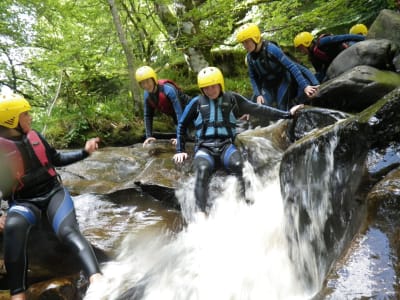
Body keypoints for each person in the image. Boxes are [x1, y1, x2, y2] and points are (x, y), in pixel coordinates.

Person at [0, 93, 102, 300]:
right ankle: (18, 293)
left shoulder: (35, 136)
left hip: (53, 193)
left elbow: (56, 158)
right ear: (11, 120)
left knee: (67, 231)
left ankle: (96, 276)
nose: (30, 117)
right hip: (24, 202)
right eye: (25, 114)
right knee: (13, 227)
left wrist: (84, 152)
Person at [172, 67, 303, 214]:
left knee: (240, 166)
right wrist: (180, 150)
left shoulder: (233, 99)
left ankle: (247, 208)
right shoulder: (197, 102)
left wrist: (287, 114)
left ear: (220, 84)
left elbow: (259, 109)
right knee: (202, 171)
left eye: (213, 86)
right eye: (206, 88)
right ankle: (200, 217)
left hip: (226, 146)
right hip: (204, 149)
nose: (210, 90)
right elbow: (182, 124)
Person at [236, 23, 319, 110]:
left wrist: (305, 86)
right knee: (262, 108)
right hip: (267, 85)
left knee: (282, 107)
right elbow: (253, 78)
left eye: (246, 41)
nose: (244, 46)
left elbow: (292, 67)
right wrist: (258, 95)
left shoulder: (272, 49)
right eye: (243, 43)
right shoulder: (250, 58)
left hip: (283, 81)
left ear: (255, 38)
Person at [135, 66, 191, 147]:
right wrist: (149, 136)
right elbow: (148, 116)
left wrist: (180, 136)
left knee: (192, 137)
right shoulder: (147, 95)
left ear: (153, 79)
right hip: (177, 116)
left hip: (191, 111)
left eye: (147, 81)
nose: (146, 85)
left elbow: (179, 112)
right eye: (142, 83)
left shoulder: (168, 89)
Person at [293, 31, 365, 82]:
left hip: (350, 47)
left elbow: (346, 37)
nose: (300, 51)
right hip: (341, 62)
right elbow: (321, 72)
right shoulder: (313, 57)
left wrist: (364, 38)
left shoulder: (323, 42)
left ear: (307, 43)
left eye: (301, 47)